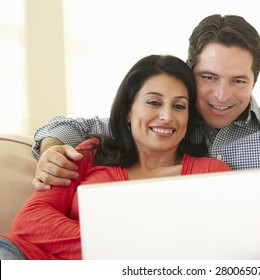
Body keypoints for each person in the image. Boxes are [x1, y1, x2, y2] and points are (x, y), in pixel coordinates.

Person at [31, 14, 260, 257]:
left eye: (238, 80)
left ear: (255, 80)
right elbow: (70, 126)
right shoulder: (162, 124)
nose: (221, 95)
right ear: (189, 68)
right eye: (208, 77)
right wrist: (52, 149)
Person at [0, 54, 231, 260]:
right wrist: (121, 250)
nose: (166, 116)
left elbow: (226, 242)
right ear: (129, 111)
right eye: (153, 102)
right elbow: (30, 221)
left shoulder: (210, 173)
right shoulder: (92, 152)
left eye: (179, 106)